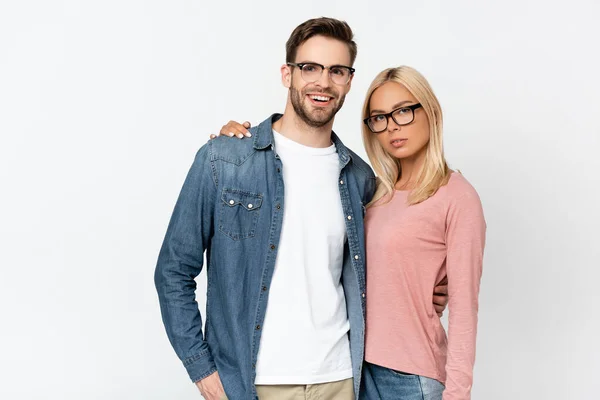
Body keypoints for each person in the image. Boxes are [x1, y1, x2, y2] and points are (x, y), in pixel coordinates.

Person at [155, 17, 448, 400]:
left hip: (341, 379)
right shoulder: (224, 160)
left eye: (337, 71)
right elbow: (174, 271)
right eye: (310, 67)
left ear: (348, 81)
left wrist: (428, 286)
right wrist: (204, 371)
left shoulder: (360, 179)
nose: (323, 82)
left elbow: (380, 265)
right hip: (253, 382)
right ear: (287, 74)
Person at [215, 66, 486, 400]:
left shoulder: (456, 196)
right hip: (356, 371)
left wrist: (458, 395)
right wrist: (234, 144)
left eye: (403, 111)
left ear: (429, 110)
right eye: (379, 118)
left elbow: (464, 308)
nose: (392, 127)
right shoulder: (372, 190)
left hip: (412, 379)